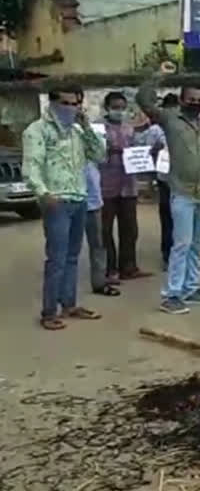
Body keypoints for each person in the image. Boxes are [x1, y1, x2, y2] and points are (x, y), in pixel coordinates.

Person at [136, 72, 200, 314]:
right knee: (181, 243)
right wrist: (158, 76)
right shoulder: (169, 120)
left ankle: (191, 289)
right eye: (191, 99)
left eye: (199, 99)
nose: (196, 102)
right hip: (182, 193)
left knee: (198, 243)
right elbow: (143, 100)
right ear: (182, 100)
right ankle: (171, 294)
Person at [22, 83, 107, 330]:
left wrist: (87, 125)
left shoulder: (77, 132)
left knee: (72, 257)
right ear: (53, 103)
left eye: (75, 103)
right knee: (57, 258)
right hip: (56, 201)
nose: (71, 108)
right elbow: (32, 166)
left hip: (79, 198)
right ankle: (49, 312)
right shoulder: (37, 131)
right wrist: (44, 193)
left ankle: (69, 304)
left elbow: (100, 155)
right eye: (66, 103)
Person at [100, 91, 152, 281]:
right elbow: (93, 154)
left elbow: (139, 151)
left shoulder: (130, 129)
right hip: (105, 186)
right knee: (104, 230)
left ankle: (128, 267)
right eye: (115, 108)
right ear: (106, 108)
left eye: (122, 108)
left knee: (130, 229)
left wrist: (150, 152)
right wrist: (110, 151)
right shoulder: (98, 129)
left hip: (128, 186)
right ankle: (109, 269)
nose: (119, 112)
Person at [135, 94, 172, 268]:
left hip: (186, 179)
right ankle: (167, 255)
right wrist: (155, 150)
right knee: (168, 219)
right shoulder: (156, 130)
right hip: (165, 179)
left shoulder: (188, 126)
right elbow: (143, 151)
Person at [84, 162, 120, 297]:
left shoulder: (93, 148)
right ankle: (64, 292)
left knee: (98, 245)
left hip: (94, 202)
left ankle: (99, 283)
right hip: (71, 199)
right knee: (68, 250)